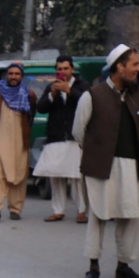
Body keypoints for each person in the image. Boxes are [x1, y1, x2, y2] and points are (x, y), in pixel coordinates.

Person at [74, 44, 139, 278]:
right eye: (135, 64)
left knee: (130, 216)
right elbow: (79, 131)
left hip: (130, 166)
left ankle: (123, 266)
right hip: (101, 166)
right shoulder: (92, 95)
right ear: (120, 67)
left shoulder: (138, 96)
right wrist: (98, 151)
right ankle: (93, 267)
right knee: (98, 215)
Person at [35, 56, 90, 223]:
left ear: (72, 69)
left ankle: (81, 211)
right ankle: (58, 211)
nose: (63, 72)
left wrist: (69, 91)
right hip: (56, 136)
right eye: (60, 69)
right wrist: (52, 95)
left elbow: (88, 103)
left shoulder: (82, 85)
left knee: (77, 176)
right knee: (55, 175)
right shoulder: (51, 86)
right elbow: (41, 108)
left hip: (75, 137)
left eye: (66, 68)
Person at [0, 63, 36, 222]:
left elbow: (31, 116)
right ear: (7, 75)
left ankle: (15, 209)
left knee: (19, 175)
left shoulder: (29, 94)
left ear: (22, 76)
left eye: (17, 74)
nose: (13, 77)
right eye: (11, 73)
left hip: (20, 141)